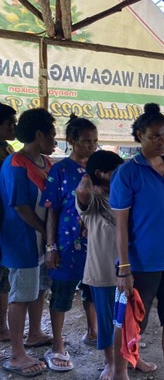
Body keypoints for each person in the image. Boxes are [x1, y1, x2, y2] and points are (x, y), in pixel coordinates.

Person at [111, 103, 164, 380]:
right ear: (140, 135)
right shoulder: (127, 173)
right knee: (129, 323)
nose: (162, 142)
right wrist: (124, 269)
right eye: (155, 136)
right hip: (140, 265)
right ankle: (120, 372)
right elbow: (120, 226)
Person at [0, 108, 57, 377]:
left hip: (43, 239)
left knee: (40, 287)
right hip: (22, 239)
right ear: (39, 134)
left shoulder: (46, 162)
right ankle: (16, 354)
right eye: (52, 134)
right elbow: (20, 206)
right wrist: (45, 231)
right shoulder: (16, 163)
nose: (55, 140)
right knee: (21, 295)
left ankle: (35, 333)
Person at [41, 114, 99, 371]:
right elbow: (51, 210)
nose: (92, 146)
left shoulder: (97, 168)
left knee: (93, 290)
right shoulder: (60, 170)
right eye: (87, 141)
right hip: (66, 244)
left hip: (96, 244)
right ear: (72, 141)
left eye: (95, 141)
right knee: (62, 294)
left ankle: (93, 332)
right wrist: (51, 246)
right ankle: (58, 345)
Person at [75, 150, 126, 380]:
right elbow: (83, 190)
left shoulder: (122, 195)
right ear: (99, 173)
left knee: (128, 319)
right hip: (102, 272)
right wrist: (89, 175)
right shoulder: (92, 198)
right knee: (106, 322)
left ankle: (131, 358)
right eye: (115, 171)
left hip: (126, 270)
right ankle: (110, 363)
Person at [0, 103, 17, 343]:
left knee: (4, 277)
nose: (14, 127)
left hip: (6, 220)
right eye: (9, 123)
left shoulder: (8, 149)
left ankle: (2, 326)